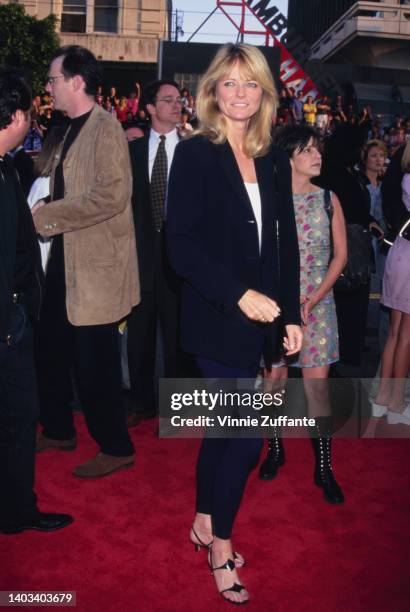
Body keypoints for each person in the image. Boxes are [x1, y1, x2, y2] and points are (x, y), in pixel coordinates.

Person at [166, 43, 302, 605]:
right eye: (231, 83)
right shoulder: (197, 154)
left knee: (223, 429)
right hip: (217, 315)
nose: (241, 93)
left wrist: (291, 313)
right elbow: (181, 246)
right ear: (213, 91)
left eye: (251, 84)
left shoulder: (271, 156)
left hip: (262, 320)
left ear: (265, 93)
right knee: (246, 435)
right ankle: (221, 545)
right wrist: (238, 294)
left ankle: (202, 519)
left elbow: (285, 245)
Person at [32, 45, 140, 478]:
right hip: (62, 263)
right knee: (52, 353)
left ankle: (117, 446)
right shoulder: (66, 127)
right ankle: (59, 428)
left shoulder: (105, 128)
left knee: (95, 364)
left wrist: (49, 215)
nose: (48, 87)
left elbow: (113, 195)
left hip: (95, 271)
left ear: (77, 81)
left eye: (53, 79)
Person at [0, 69, 72, 535]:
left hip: (15, 314)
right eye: (32, 112)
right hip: (7, 323)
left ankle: (14, 510)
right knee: (19, 418)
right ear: (18, 115)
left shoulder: (8, 164)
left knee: (17, 420)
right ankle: (17, 512)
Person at [259, 126, 347, 503]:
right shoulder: (270, 202)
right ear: (289, 157)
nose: (317, 155)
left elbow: (340, 257)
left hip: (319, 306)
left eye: (318, 149)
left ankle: (324, 467)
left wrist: (313, 300)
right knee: (273, 383)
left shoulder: (329, 199)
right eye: (308, 150)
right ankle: (275, 449)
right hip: (277, 307)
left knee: (318, 391)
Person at [127, 80, 185, 421]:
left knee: (180, 337)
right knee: (140, 336)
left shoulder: (194, 150)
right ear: (150, 108)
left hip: (181, 261)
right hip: (140, 259)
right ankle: (139, 403)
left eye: (180, 100)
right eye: (169, 100)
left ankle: (176, 407)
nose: (177, 106)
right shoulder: (131, 151)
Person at [372, 140, 410, 424]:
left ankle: (383, 398)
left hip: (399, 251)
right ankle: (396, 403)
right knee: (405, 335)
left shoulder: (404, 173)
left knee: (396, 332)